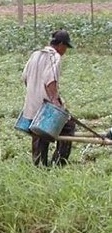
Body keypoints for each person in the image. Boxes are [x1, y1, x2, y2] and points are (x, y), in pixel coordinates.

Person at [21, 30, 75, 167]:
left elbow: (25, 78)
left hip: (31, 106)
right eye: (66, 47)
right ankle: (58, 164)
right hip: (45, 108)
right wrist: (56, 102)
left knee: (38, 134)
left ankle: (39, 166)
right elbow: (50, 81)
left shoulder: (35, 55)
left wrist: (34, 93)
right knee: (68, 128)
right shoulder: (54, 57)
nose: (65, 51)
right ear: (60, 44)